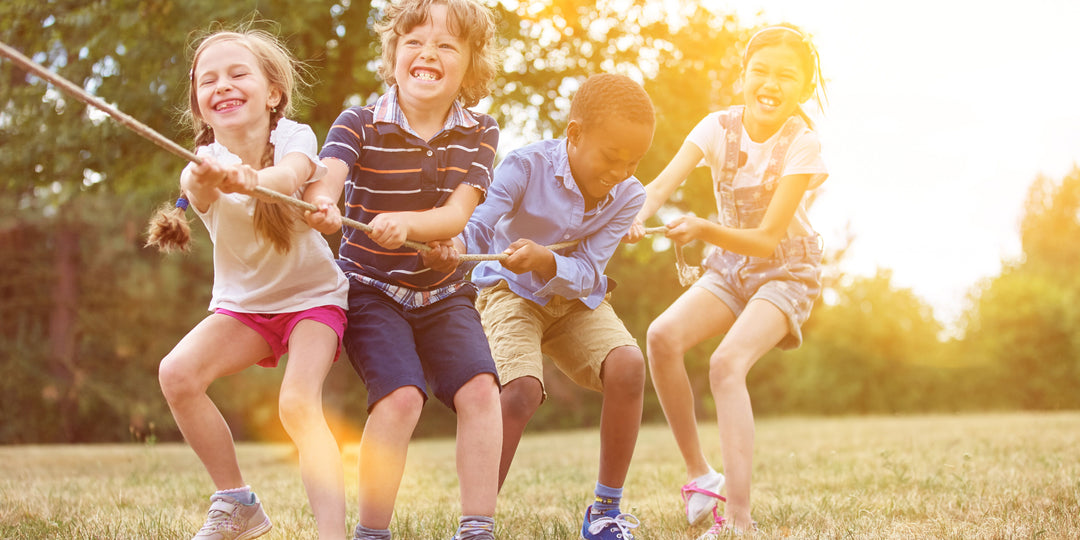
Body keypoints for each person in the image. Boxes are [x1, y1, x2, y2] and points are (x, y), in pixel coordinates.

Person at [302, 1, 501, 539]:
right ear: (393, 56)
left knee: (482, 391)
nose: (427, 53)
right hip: (370, 290)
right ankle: (372, 532)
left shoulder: (481, 132)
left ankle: (477, 528)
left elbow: (457, 214)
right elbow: (329, 175)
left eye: (445, 45)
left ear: (470, 64)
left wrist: (415, 228)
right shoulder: (359, 122)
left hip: (444, 292)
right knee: (401, 397)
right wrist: (320, 202)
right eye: (414, 40)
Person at [624, 24, 829, 538]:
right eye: (760, 70)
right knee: (662, 337)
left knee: (725, 364)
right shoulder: (716, 127)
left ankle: (738, 520)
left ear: (803, 89)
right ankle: (702, 478)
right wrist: (635, 214)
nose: (771, 83)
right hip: (730, 269)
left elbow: (765, 239)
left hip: (786, 269)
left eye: (786, 76)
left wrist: (701, 226)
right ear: (743, 77)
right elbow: (660, 185)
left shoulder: (803, 144)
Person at [431, 73, 654, 540]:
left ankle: (606, 512)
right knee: (521, 390)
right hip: (509, 292)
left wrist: (549, 259)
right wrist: (450, 246)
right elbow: (480, 223)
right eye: (610, 157)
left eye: (632, 162)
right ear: (574, 134)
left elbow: (591, 272)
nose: (619, 172)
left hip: (574, 302)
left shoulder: (629, 196)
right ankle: (476, 525)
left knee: (629, 366)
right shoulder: (525, 166)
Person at [146, 28, 349, 540]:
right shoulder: (204, 162)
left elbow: (290, 177)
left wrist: (253, 180)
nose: (223, 85)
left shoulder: (295, 138)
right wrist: (213, 177)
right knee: (177, 375)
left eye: (238, 73)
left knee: (298, 405)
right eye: (208, 80)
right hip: (245, 310)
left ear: (272, 93)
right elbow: (195, 187)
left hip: (313, 301)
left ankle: (332, 534)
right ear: (199, 102)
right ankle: (236, 502)